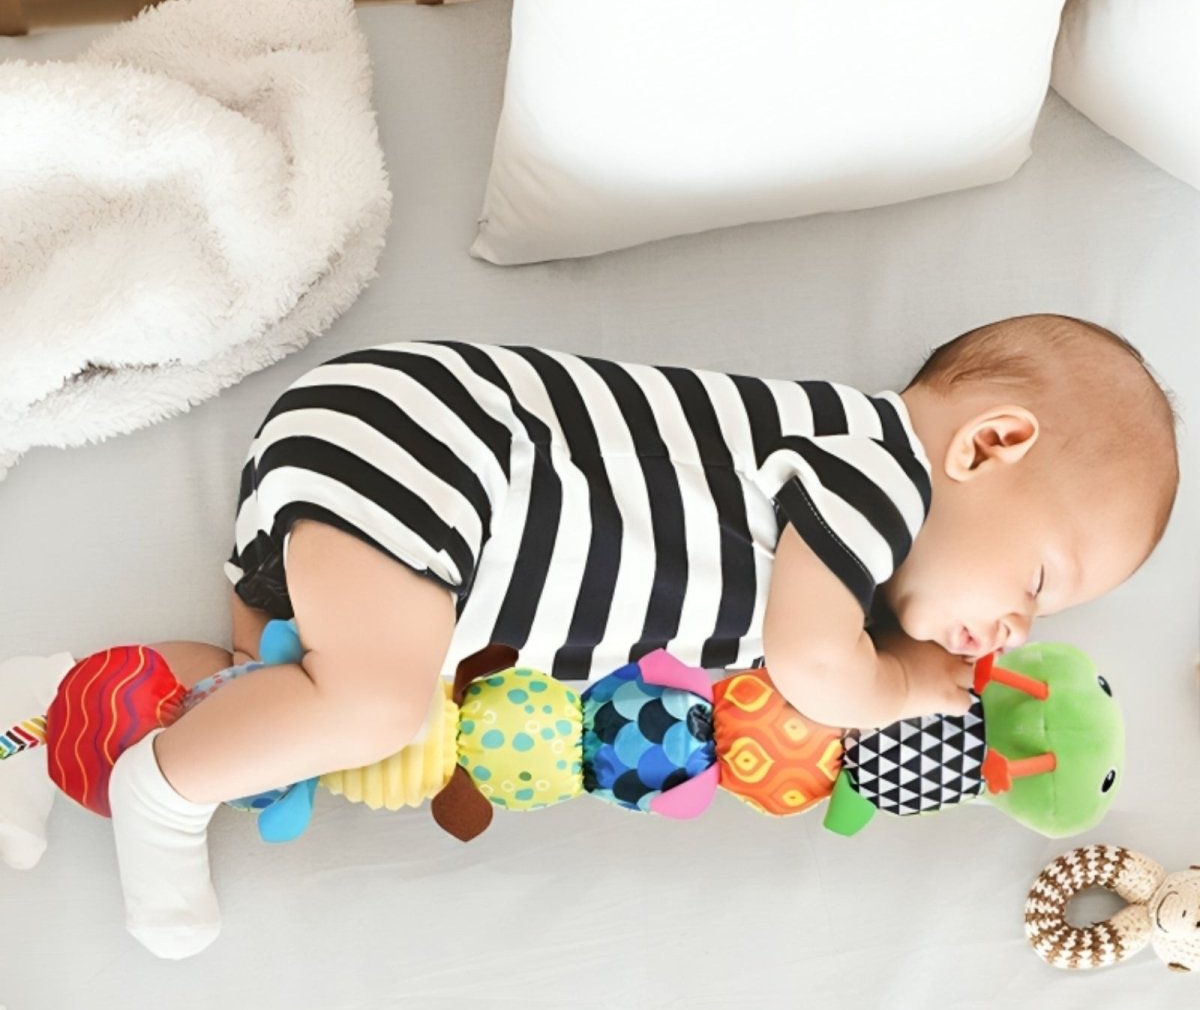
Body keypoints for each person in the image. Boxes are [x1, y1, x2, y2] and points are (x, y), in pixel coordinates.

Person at [105, 314, 1180, 958]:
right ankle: (157, 792)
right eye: (1037, 581)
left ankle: (59, 704)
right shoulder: (876, 473)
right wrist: (903, 685)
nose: (1016, 629)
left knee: (271, 704)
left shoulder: (863, 542)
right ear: (988, 445)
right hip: (441, 452)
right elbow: (814, 669)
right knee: (373, 705)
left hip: (399, 503)